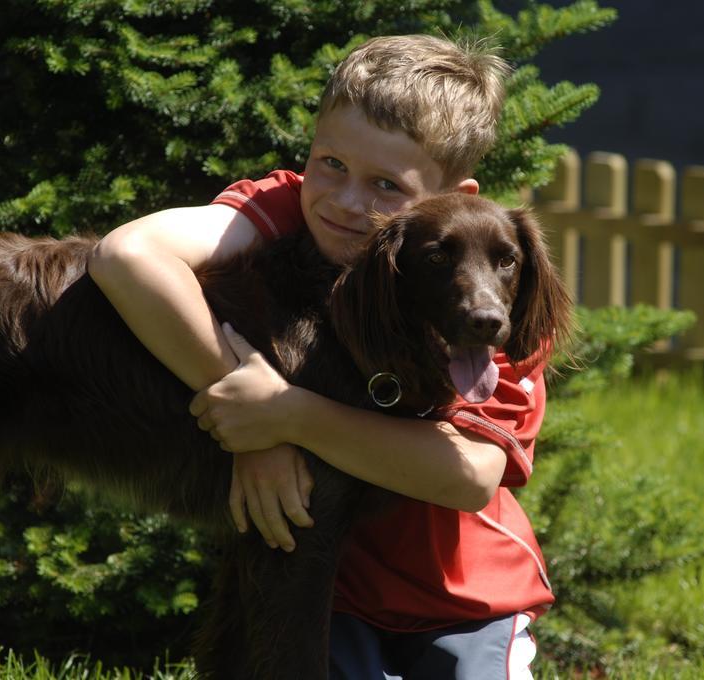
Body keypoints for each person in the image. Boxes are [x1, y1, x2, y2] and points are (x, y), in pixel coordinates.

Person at [88, 34, 559, 679]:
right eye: (330, 163)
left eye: (387, 184)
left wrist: (286, 417)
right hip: (333, 594)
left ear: (455, 192)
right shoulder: (292, 209)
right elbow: (128, 256)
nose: (346, 202)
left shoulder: (487, 289)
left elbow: (469, 476)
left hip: (465, 596)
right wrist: (247, 423)